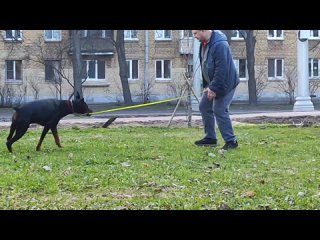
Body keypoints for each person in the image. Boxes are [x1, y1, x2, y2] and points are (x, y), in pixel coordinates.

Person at [192, 30, 240, 150]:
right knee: (204, 106)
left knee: (219, 109)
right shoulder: (204, 43)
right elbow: (205, 65)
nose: (195, 36)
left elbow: (222, 69)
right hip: (214, 83)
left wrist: (213, 88)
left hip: (226, 83)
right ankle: (210, 138)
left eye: (195, 33)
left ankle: (231, 141)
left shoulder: (219, 45)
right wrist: (207, 85)